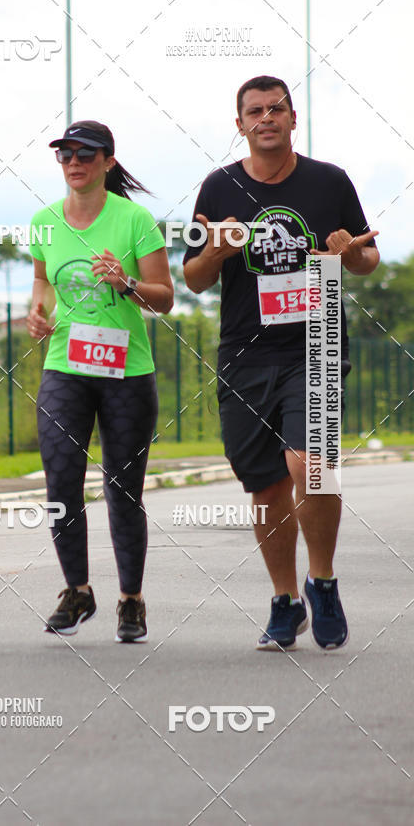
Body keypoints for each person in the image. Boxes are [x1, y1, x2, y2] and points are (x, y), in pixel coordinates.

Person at [183, 75, 379, 651]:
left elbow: (366, 257)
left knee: (309, 464)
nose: (266, 118)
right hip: (245, 353)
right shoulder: (217, 188)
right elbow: (193, 278)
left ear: (294, 119)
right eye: (254, 111)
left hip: (314, 345)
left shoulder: (329, 181)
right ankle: (284, 601)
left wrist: (350, 252)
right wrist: (216, 247)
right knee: (266, 487)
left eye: (277, 109)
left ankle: (323, 583)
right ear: (239, 125)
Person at [27, 120, 173, 642]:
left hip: (125, 372)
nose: (74, 161)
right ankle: (78, 590)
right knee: (61, 477)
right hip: (66, 364)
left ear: (108, 162)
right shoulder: (43, 221)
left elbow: (165, 297)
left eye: (85, 153)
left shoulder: (134, 221)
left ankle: (130, 601)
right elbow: (44, 281)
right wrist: (38, 313)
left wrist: (127, 282)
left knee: (122, 489)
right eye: (65, 153)